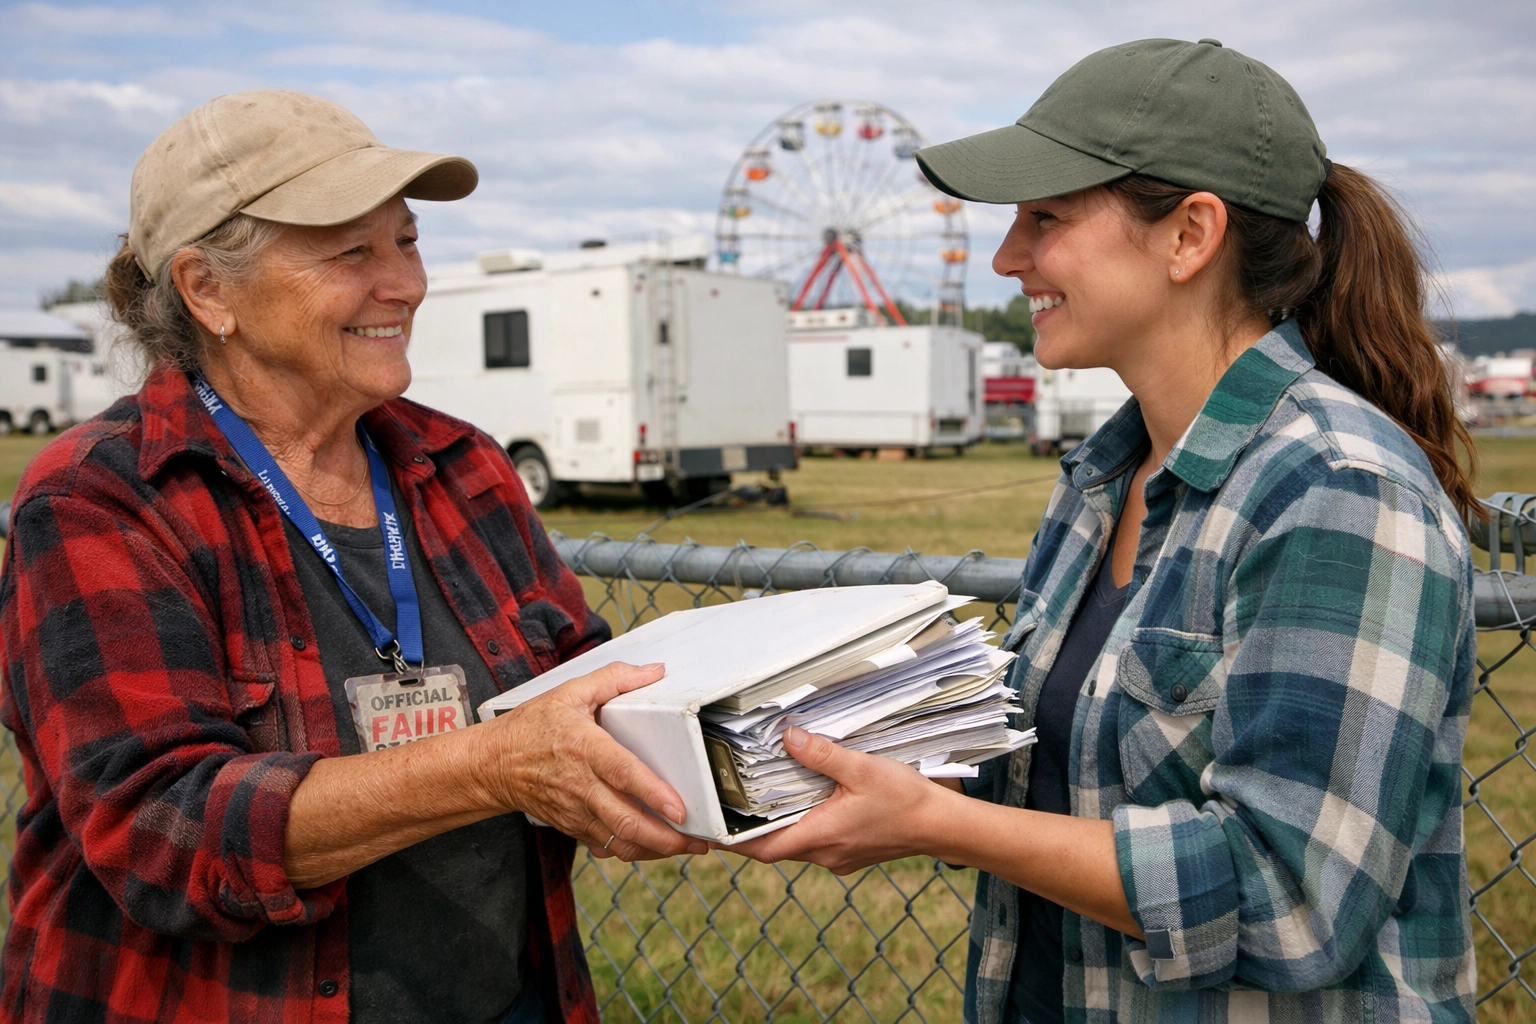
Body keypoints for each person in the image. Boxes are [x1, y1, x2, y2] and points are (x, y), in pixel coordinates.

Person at [734, 38, 1478, 1024]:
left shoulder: (1338, 488)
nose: (1007, 257)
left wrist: (948, 825)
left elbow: (1293, 895)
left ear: (1189, 236)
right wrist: (807, 745)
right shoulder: (1105, 477)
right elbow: (1051, 762)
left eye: (1046, 216)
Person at [0, 89, 702, 1024]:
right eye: (350, 253)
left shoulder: (463, 465)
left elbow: (581, 688)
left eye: (407, 242)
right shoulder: (102, 498)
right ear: (209, 290)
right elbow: (158, 829)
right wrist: (488, 766)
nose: (405, 285)